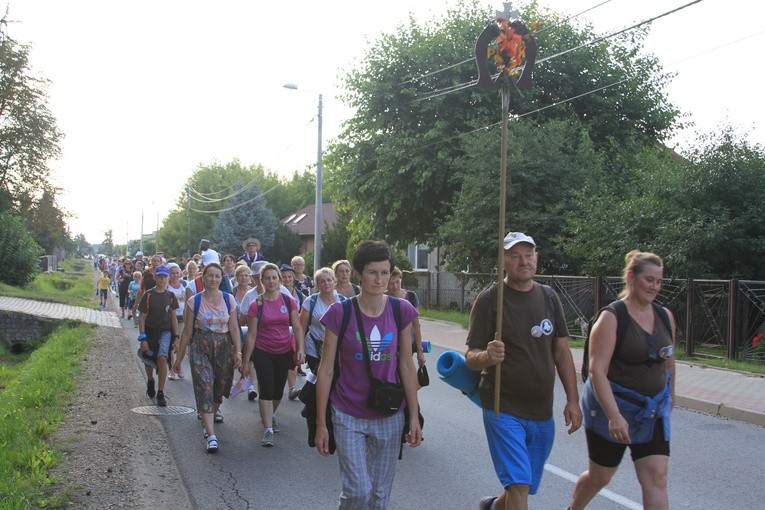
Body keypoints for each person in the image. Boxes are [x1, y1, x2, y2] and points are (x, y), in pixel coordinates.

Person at [465, 232, 582, 510]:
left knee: (523, 484)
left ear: (537, 258)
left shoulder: (549, 297)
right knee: (519, 484)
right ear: (504, 261)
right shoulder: (490, 299)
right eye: (515, 256)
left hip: (541, 412)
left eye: (528, 255)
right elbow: (470, 357)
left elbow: (562, 352)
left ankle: (493, 507)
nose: (524, 261)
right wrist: (486, 356)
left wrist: (573, 400)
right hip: (502, 407)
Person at [315, 240, 422, 509]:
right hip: (348, 412)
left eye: (385, 272)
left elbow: (407, 366)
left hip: (389, 413)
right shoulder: (340, 312)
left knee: (379, 495)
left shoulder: (402, 311)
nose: (379, 279)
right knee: (358, 492)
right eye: (372, 272)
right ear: (359, 274)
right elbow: (326, 368)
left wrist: (414, 415)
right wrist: (321, 423)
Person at [568, 250, 676, 510]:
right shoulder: (612, 318)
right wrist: (615, 416)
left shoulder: (665, 316)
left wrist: (671, 396)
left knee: (656, 476)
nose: (655, 287)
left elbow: (669, 361)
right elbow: (597, 372)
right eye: (649, 280)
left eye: (659, 281)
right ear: (630, 277)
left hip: (651, 411)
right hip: (611, 408)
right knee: (600, 476)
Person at [173, 262, 243, 453]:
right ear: (203, 278)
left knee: (219, 386)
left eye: (217, 276)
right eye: (210, 275)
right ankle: (211, 434)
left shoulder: (229, 299)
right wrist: (178, 361)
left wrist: (238, 352)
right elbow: (187, 331)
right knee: (204, 386)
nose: (213, 279)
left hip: (223, 347)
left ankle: (211, 412)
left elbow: (235, 328)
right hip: (200, 346)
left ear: (222, 279)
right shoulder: (193, 301)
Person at [241, 263, 305, 447]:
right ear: (262, 281)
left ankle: (270, 414)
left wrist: (300, 349)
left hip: (284, 351)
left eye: (274, 277)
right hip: (263, 351)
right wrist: (246, 360)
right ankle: (268, 429)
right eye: (267, 278)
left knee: (278, 391)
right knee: (267, 388)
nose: (271, 281)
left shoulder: (288, 301)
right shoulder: (256, 305)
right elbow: (252, 335)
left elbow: (298, 327)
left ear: (279, 280)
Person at [137, 265, 179, 407]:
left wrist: (177, 337)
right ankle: (150, 380)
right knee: (148, 357)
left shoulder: (171, 296)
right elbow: (142, 317)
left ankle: (161, 392)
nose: (162, 279)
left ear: (168, 278)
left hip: (165, 332)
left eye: (164, 276)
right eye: (159, 276)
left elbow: (173, 317)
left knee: (162, 357)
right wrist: (143, 337)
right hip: (149, 331)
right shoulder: (148, 295)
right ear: (155, 277)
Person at [300, 267, 344, 373]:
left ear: (335, 281)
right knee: (318, 376)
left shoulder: (343, 302)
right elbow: (301, 328)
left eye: (329, 280)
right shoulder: (310, 301)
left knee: (335, 377)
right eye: (322, 281)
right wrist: (300, 349)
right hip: (313, 347)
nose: (326, 283)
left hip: (337, 348)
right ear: (317, 285)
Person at [386, 267, 426, 368]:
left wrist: (420, 351)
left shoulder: (410, 296)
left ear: (401, 279)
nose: (395, 286)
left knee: (405, 370)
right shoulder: (382, 298)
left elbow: (416, 326)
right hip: (388, 345)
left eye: (397, 282)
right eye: (391, 283)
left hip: (408, 344)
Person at [166, 263, 188, 380]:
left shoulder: (185, 284)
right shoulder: (166, 286)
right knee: (171, 345)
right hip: (169, 319)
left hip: (182, 318)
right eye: (172, 273)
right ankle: (171, 369)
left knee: (181, 345)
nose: (175, 275)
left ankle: (178, 366)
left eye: (177, 273)